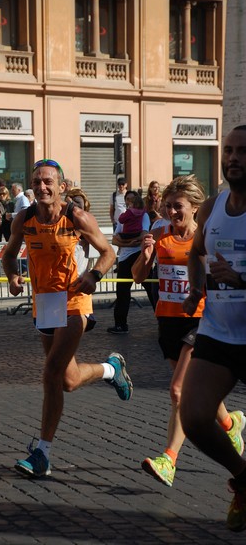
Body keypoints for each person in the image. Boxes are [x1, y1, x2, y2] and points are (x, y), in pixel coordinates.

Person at [2, 158, 133, 478]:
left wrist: (95, 275)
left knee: (50, 373)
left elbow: (108, 252)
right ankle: (110, 368)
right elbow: (8, 253)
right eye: (36, 182)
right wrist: (13, 277)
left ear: (61, 187)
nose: (41, 187)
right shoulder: (24, 218)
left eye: (48, 182)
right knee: (68, 380)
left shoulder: (76, 217)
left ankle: (42, 454)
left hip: (75, 300)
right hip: (45, 302)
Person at [132, 175, 244, 489]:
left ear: (195, 208)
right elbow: (139, 277)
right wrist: (145, 257)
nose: (171, 212)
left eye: (177, 206)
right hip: (168, 320)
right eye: (167, 206)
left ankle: (169, 459)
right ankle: (229, 422)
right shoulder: (158, 232)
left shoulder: (207, 234)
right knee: (195, 392)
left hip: (200, 320)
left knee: (178, 391)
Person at [180, 125, 246, 532]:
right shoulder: (212, 208)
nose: (233, 157)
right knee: (195, 417)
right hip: (218, 333)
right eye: (229, 150)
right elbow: (196, 252)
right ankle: (243, 479)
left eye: (243, 151)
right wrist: (196, 288)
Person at [107, 190, 154, 334]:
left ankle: (164, 320)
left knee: (152, 290)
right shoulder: (123, 217)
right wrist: (128, 243)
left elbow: (144, 236)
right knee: (122, 292)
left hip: (139, 256)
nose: (129, 202)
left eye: (132, 199)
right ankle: (120, 325)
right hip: (125, 258)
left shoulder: (144, 215)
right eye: (127, 199)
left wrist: (126, 242)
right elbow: (115, 239)